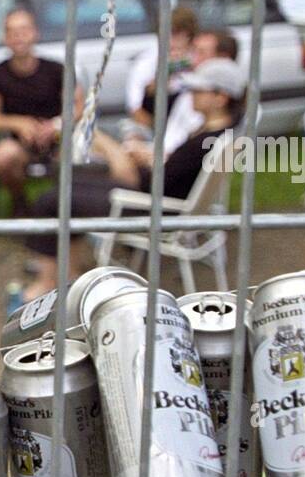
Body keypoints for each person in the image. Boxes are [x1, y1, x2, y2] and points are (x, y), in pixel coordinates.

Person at [23, 57, 246, 298]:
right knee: (69, 184)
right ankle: (69, 275)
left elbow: (147, 182)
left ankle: (44, 284)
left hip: (154, 210)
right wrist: (147, 157)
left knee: (52, 200)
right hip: (165, 201)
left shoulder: (204, 141)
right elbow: (174, 172)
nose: (190, 94)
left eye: (198, 90)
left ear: (221, 97)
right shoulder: (218, 134)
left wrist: (114, 150)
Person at [0, 8, 66, 218]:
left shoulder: (56, 69)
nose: (18, 36)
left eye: (24, 30)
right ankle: (19, 202)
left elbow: (78, 107)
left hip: (59, 140)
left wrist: (54, 126)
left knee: (77, 155)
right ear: (4, 37)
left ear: (35, 33)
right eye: (11, 31)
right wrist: (19, 124)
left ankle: (67, 206)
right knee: (3, 155)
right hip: (20, 144)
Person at [123, 29, 239, 167]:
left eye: (201, 52)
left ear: (223, 59)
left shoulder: (212, 103)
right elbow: (147, 109)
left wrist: (148, 156)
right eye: (193, 51)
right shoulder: (190, 90)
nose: (192, 59)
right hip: (161, 157)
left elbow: (187, 156)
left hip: (163, 167)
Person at [124, 6, 199, 133]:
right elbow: (136, 111)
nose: (170, 41)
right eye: (165, 34)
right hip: (158, 128)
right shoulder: (146, 62)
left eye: (177, 34)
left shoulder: (200, 58)